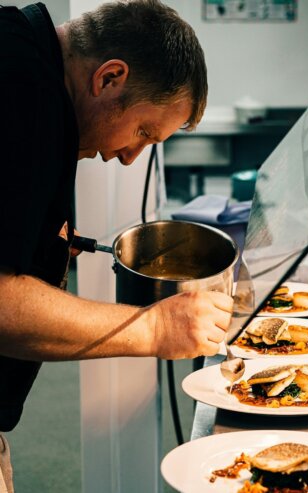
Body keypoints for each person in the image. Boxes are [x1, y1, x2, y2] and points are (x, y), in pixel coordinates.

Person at [0, 1, 234, 491]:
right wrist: (154, 328)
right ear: (110, 78)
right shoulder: (21, 91)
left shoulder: (24, 54)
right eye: (143, 132)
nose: (130, 157)